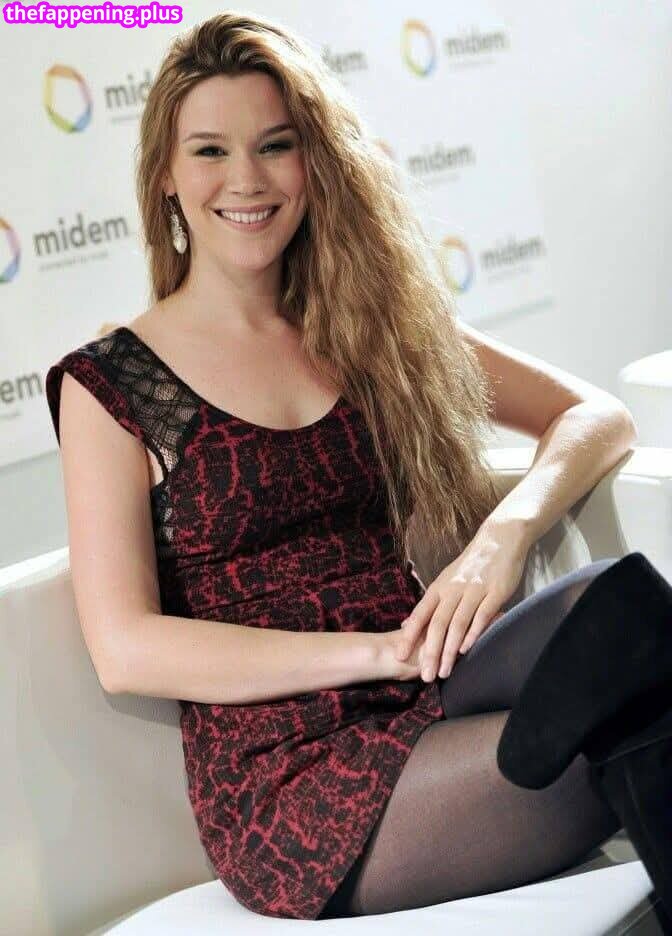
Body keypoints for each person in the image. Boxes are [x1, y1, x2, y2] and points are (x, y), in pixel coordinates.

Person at [45, 11, 646, 922]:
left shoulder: (367, 326)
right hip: (292, 783)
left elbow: (595, 417)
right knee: (634, 736)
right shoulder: (114, 384)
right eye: (209, 151)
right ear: (165, 174)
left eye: (275, 145)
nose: (246, 179)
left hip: (427, 686)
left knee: (620, 605)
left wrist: (501, 541)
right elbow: (126, 648)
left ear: (314, 160)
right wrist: (373, 651)